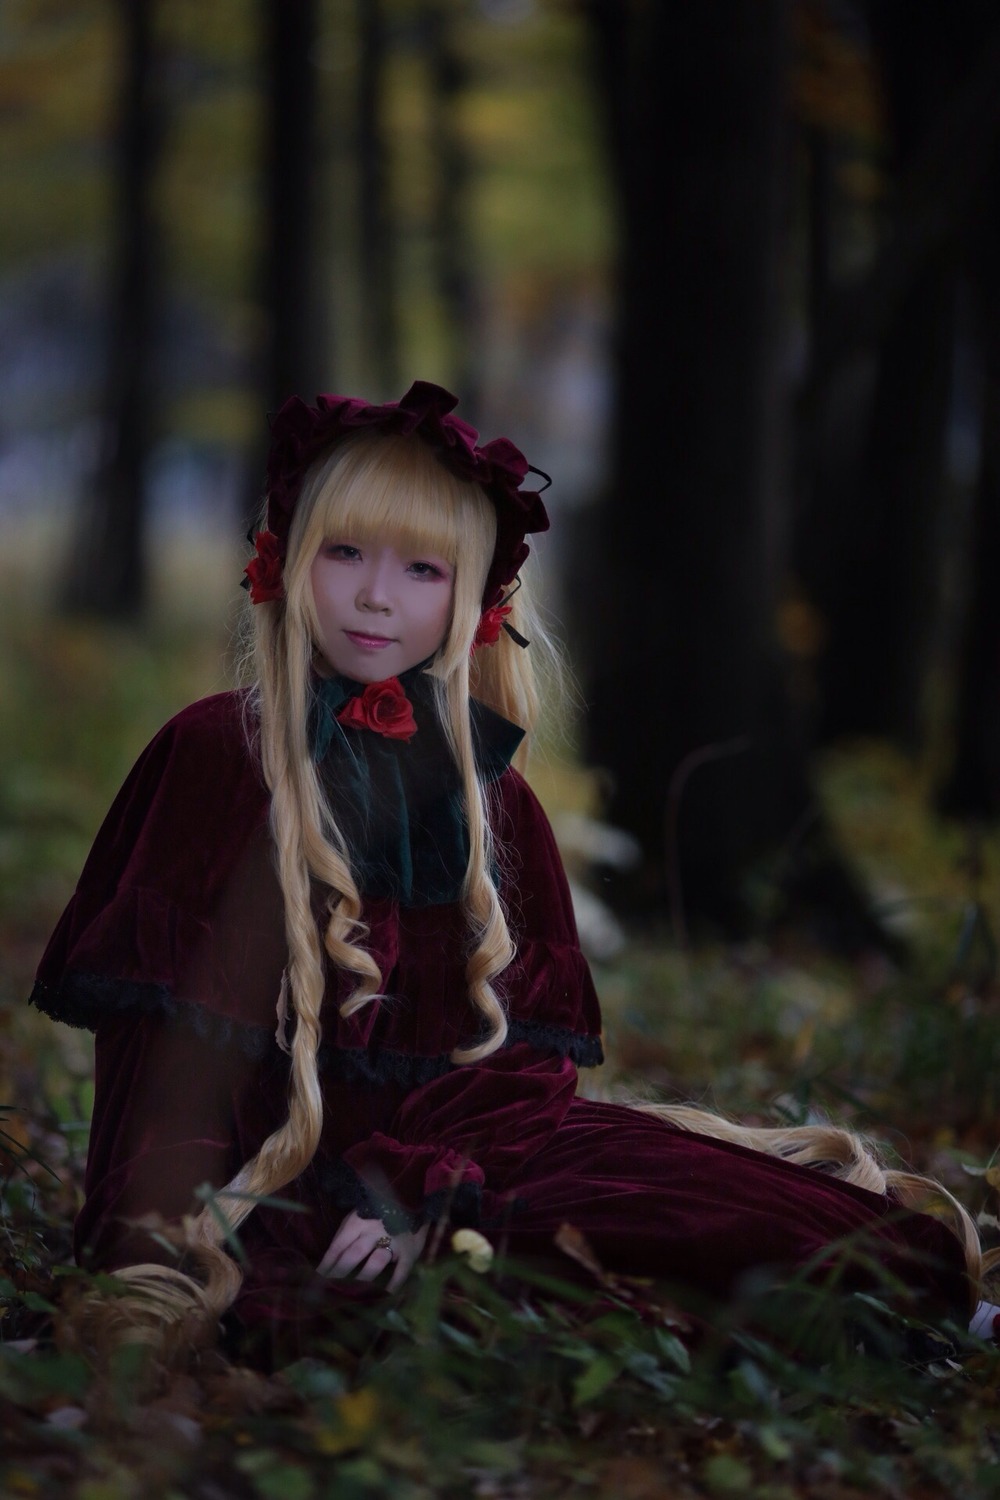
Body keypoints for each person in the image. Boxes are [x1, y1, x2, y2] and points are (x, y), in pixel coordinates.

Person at [30, 382, 990, 1355]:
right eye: (345, 552)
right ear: (285, 559)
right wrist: (161, 1248)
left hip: (459, 1167)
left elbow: (524, 1060)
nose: (375, 595)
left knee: (757, 1230)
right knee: (340, 1305)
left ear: (472, 600)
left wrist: (410, 1186)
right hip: (251, 1191)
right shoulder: (210, 756)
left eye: (422, 568)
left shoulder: (489, 797)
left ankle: (934, 1315)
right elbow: (156, 1065)